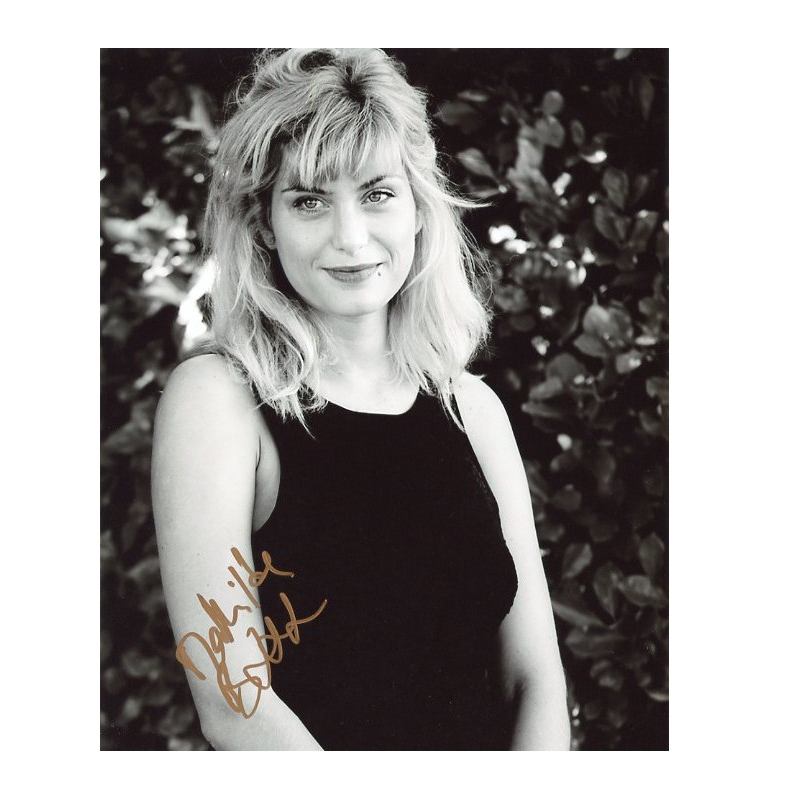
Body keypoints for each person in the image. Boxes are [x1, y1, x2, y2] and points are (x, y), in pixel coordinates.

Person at [151, 48, 570, 751]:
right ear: (264, 224)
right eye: (309, 201)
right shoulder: (218, 401)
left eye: (377, 194)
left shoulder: (473, 409)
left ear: (417, 209)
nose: (350, 238)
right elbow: (234, 702)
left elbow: (536, 680)